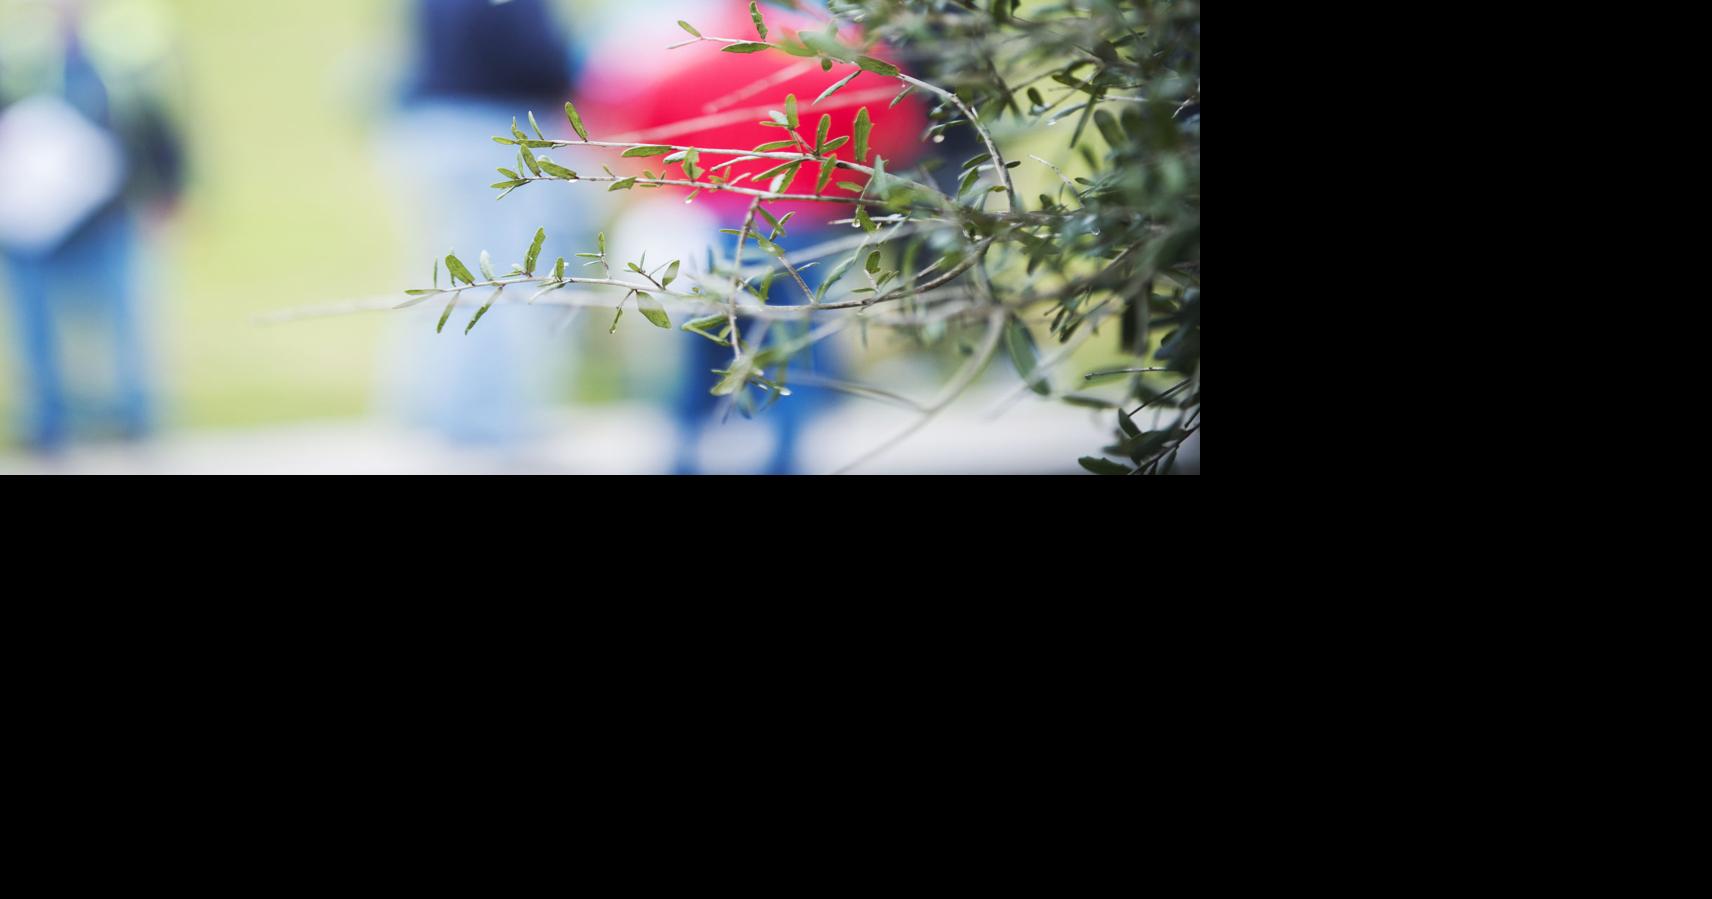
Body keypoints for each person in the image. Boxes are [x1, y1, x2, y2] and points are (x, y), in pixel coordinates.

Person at [572, 0, 928, 474]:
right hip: (803, 226)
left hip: (713, 227)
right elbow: (896, 130)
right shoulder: (839, 55)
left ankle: (682, 459)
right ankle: (781, 463)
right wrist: (840, 193)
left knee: (704, 358)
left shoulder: (681, 56)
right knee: (794, 361)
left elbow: (625, 130)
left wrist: (676, 192)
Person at [376, 0, 594, 451]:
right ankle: (486, 417)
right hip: (493, 130)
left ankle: (433, 406)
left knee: (447, 272)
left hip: (432, 126)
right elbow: (537, 59)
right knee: (500, 277)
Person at [0, 0, 183, 453]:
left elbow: (155, 121)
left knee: (126, 316)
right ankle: (49, 421)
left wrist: (169, 188)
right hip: (29, 222)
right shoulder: (17, 53)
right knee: (35, 325)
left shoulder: (124, 49)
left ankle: (136, 415)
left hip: (107, 211)